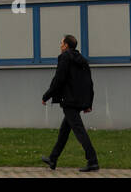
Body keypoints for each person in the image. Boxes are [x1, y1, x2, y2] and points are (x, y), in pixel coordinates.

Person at [40, 34, 98, 172]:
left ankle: (93, 161)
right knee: (64, 131)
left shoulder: (65, 57)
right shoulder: (82, 60)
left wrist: (46, 96)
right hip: (78, 101)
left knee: (79, 130)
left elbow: (59, 79)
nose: (60, 45)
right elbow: (89, 83)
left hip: (69, 100)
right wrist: (89, 103)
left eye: (61, 43)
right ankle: (53, 159)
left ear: (66, 45)